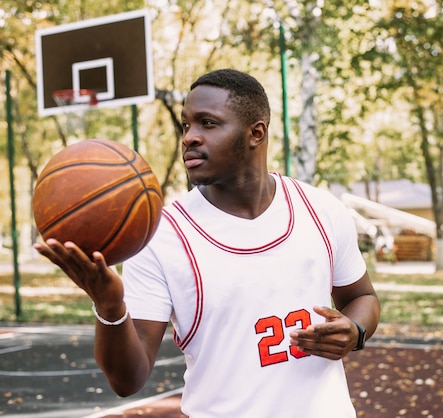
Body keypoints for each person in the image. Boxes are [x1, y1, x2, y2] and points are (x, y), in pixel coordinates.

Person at [35, 68, 380, 418]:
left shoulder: (321, 209)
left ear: (255, 133)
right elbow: (128, 380)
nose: (190, 138)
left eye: (208, 124)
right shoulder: (159, 235)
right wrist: (110, 308)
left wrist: (355, 330)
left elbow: (361, 297)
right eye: (186, 125)